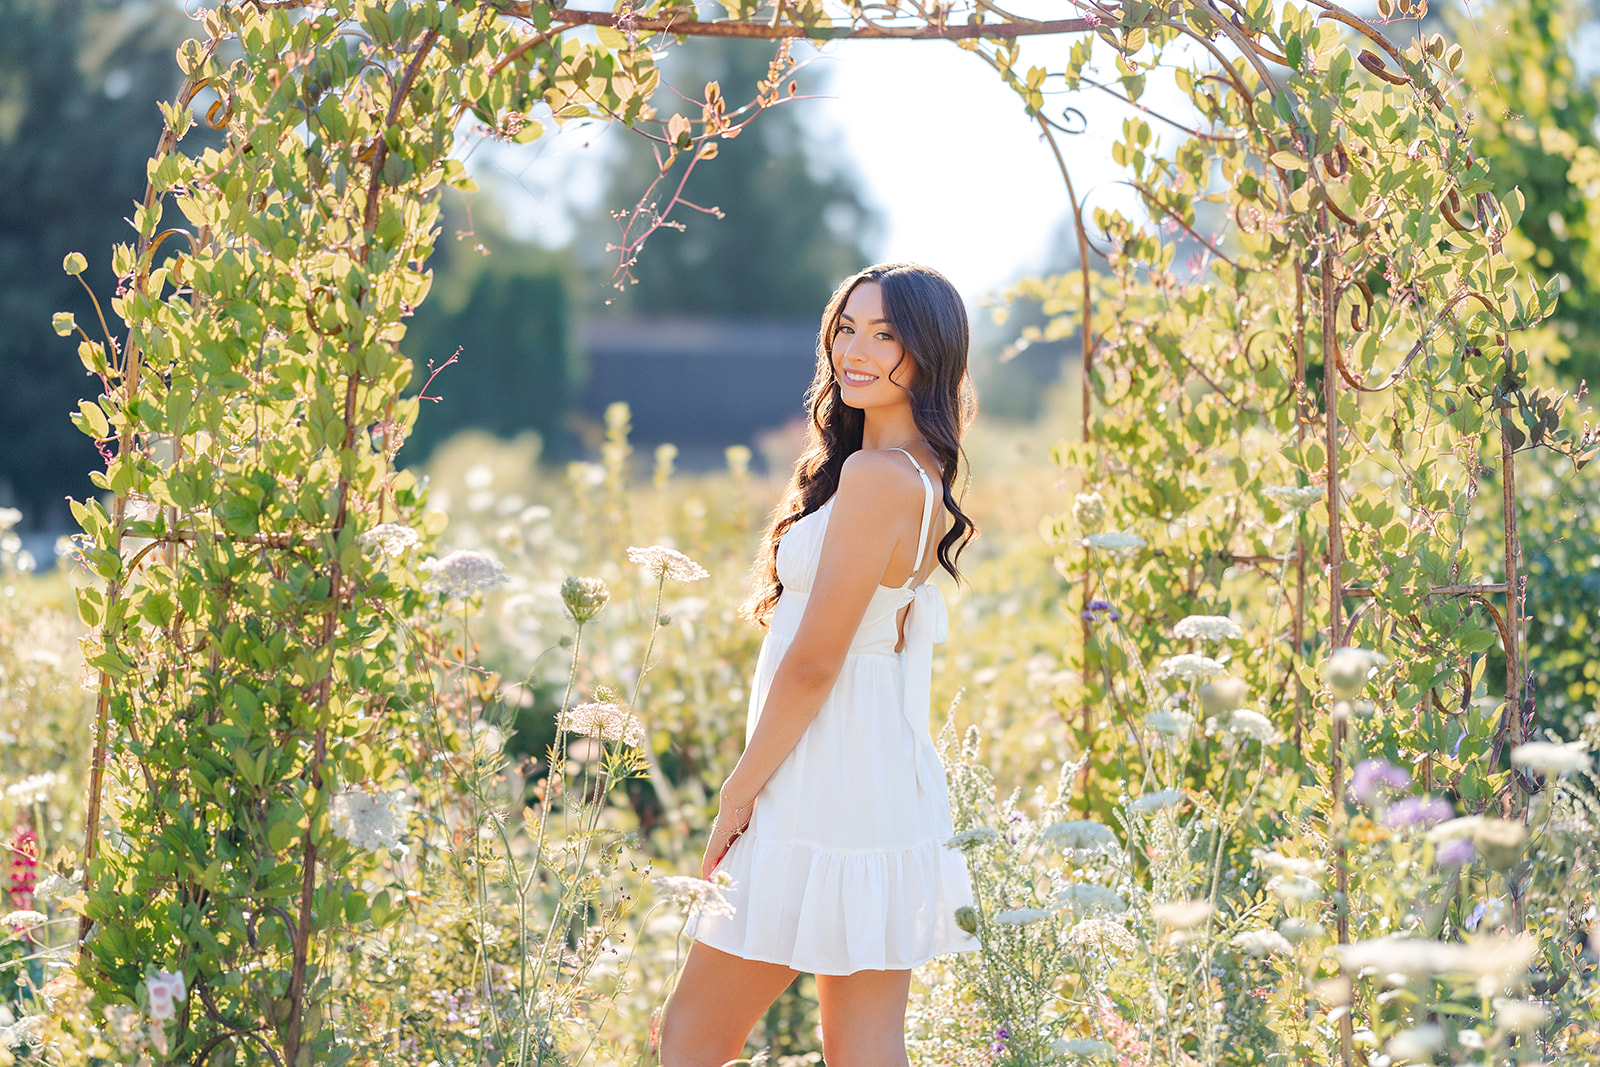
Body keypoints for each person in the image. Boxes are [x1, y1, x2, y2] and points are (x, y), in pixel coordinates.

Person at [657, 263, 982, 1067]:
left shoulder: (877, 479)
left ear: (928, 353)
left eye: (886, 334)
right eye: (847, 327)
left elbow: (814, 661)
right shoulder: (913, 477)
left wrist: (739, 792)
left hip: (820, 780)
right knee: (863, 1051)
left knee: (691, 1039)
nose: (857, 349)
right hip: (872, 780)